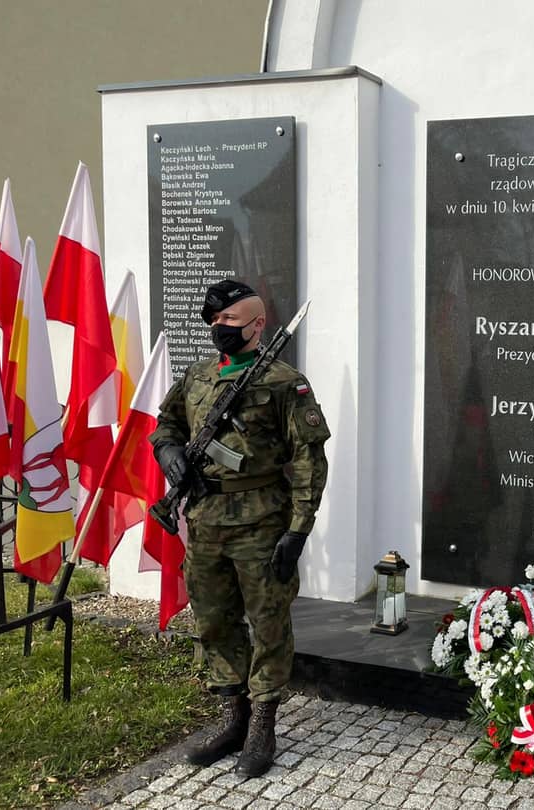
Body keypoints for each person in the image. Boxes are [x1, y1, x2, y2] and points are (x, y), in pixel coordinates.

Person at [149, 279, 330, 777]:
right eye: (215, 320)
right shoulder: (198, 375)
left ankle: (262, 727)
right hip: (205, 519)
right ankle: (235, 717)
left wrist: (298, 530)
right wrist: (169, 452)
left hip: (261, 523)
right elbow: (166, 423)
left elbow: (309, 460)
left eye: (229, 319)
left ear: (257, 324)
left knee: (268, 623)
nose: (219, 327)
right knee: (213, 621)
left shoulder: (285, 382)